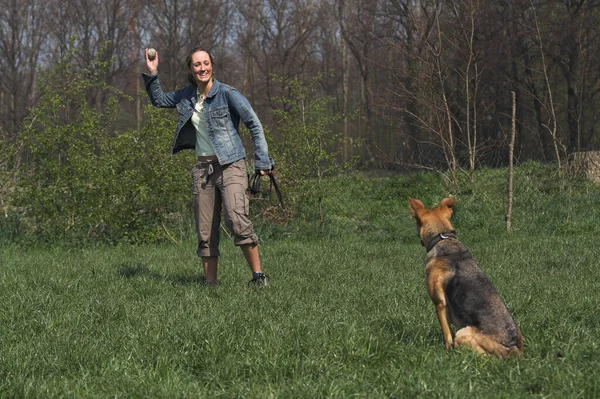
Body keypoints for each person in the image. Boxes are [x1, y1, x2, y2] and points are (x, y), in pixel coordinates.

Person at [142, 46, 271, 286]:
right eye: (197, 64)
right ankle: (211, 285)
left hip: (231, 165)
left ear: (212, 65)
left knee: (236, 219)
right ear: (191, 69)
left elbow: (254, 123)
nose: (202, 68)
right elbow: (158, 100)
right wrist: (152, 72)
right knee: (205, 230)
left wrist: (263, 161)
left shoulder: (227, 93)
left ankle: (258, 276)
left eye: (206, 63)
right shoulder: (187, 96)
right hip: (203, 170)